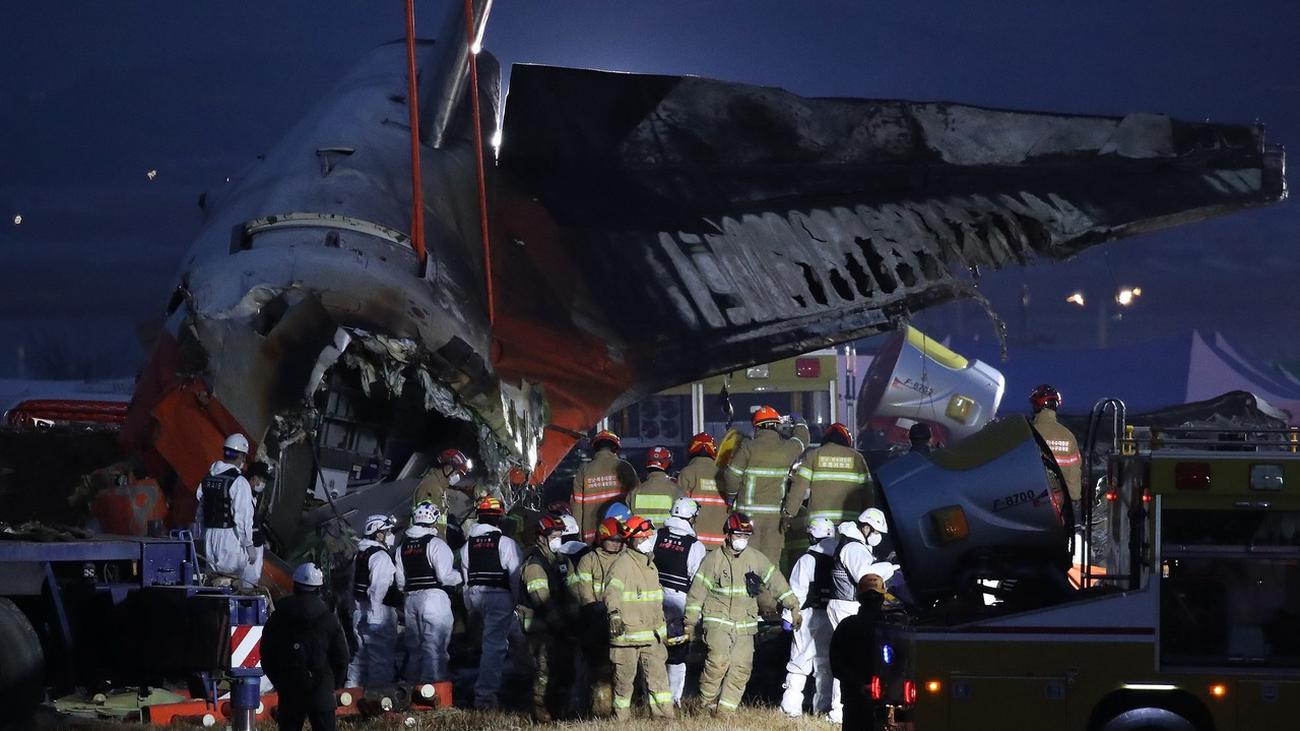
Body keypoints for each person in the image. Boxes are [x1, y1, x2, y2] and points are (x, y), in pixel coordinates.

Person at [684, 512, 801, 715]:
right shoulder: (713, 560)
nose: (742, 540)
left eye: (746, 536)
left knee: (741, 669)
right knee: (718, 662)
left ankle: (724, 713)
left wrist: (793, 605)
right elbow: (697, 593)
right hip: (718, 621)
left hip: (745, 625)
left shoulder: (755, 559)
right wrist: (690, 622)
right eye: (738, 535)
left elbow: (776, 580)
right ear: (728, 534)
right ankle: (705, 704)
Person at [826, 508, 895, 723]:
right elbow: (865, 576)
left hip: (845, 604)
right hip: (846, 604)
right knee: (854, 658)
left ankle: (839, 709)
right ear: (866, 527)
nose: (878, 537)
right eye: (875, 531)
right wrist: (891, 567)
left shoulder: (854, 544)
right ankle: (837, 710)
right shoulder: (854, 547)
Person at [602, 516, 675, 719]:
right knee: (624, 682)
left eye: (648, 537)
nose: (647, 541)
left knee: (659, 681)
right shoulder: (622, 565)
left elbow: (655, 601)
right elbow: (611, 593)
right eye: (642, 538)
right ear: (631, 540)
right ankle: (621, 720)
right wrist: (614, 614)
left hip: (652, 637)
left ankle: (664, 719)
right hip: (628, 637)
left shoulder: (651, 565)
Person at [261, 563, 350, 731]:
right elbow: (342, 657)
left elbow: (267, 654)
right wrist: (333, 684)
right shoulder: (328, 619)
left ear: (294, 586)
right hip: (321, 690)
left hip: (290, 690)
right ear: (318, 589)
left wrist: (280, 682)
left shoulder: (279, 616)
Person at [458, 496, 522, 709]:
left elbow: (466, 581)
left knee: (516, 634)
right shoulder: (506, 543)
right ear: (499, 519)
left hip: (476, 598)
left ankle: (526, 674)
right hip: (499, 597)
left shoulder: (468, 546)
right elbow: (515, 576)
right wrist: (516, 601)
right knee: (494, 647)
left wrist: (469, 608)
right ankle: (485, 697)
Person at [723, 407, 809, 564]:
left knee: (746, 562)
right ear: (777, 426)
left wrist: (731, 497)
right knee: (769, 567)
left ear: (757, 427)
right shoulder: (787, 449)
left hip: (747, 517)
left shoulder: (749, 447)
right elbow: (802, 440)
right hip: (774, 519)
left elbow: (731, 476)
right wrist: (800, 423)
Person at [519, 516, 580, 722]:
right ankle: (540, 711)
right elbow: (541, 601)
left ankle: (561, 708)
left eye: (560, 536)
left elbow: (574, 592)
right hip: (541, 627)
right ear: (542, 538)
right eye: (554, 536)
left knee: (566, 668)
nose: (558, 540)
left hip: (562, 625)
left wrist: (575, 619)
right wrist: (561, 625)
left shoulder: (563, 561)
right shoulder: (535, 564)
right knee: (544, 670)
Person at [394, 500, 461, 684]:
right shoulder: (436, 544)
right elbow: (445, 576)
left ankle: (413, 688)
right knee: (434, 646)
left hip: (411, 601)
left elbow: (400, 581)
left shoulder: (403, 548)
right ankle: (433, 689)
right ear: (434, 520)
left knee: (415, 649)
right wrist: (461, 576)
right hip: (434, 599)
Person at [781, 517, 838, 718]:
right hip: (832, 617)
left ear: (812, 536)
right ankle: (822, 709)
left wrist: (788, 617)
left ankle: (791, 709)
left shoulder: (807, 560)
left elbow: (796, 593)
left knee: (799, 662)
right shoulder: (839, 557)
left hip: (808, 617)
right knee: (826, 665)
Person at [653, 497, 707, 704]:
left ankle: (651, 696)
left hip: (652, 600)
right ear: (691, 517)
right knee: (676, 653)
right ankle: (673, 699)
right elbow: (697, 580)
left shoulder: (656, 535)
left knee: (652, 651)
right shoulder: (695, 546)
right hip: (678, 604)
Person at [572, 517, 626, 717]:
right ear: (601, 538)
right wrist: (596, 617)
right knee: (599, 671)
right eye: (612, 540)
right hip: (596, 622)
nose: (616, 544)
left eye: (620, 540)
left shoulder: (626, 558)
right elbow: (585, 594)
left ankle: (623, 710)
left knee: (622, 670)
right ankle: (599, 713)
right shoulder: (589, 560)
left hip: (621, 621)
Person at [784, 422, 873, 529]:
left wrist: (789, 514)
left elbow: (799, 487)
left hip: (819, 525)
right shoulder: (857, 458)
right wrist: (868, 521)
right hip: (850, 525)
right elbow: (868, 492)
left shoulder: (813, 455)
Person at [346, 514, 399, 687]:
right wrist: (375, 617)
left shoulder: (361, 554)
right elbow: (378, 588)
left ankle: (350, 694)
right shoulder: (381, 557)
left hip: (359, 612)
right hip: (377, 614)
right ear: (378, 534)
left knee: (360, 658)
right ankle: (378, 699)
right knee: (381, 660)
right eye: (388, 531)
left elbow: (353, 584)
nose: (391, 534)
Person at [829, 574, 889, 731]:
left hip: (853, 699)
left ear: (859, 597)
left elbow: (836, 665)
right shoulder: (892, 628)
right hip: (884, 698)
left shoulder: (846, 626)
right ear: (882, 598)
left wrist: (859, 685)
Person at [195, 433, 256, 584]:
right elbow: (242, 517)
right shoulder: (239, 482)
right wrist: (248, 544)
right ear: (241, 456)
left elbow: (200, 512)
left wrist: (200, 535)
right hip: (230, 538)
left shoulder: (208, 478)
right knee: (229, 583)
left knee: (212, 581)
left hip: (209, 536)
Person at [571, 430, 639, 542]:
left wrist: (577, 537)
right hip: (620, 533)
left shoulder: (584, 471)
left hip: (592, 536)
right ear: (615, 448)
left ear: (595, 448)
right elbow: (636, 499)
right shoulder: (625, 467)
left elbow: (577, 507)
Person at [1029, 384, 1082, 512]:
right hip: (1060, 504)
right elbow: (1074, 473)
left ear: (1037, 405)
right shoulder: (1068, 436)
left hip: (1032, 501)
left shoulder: (1028, 433)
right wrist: (1074, 499)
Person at [676, 432, 729, 549]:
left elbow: (678, 508)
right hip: (721, 544)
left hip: (695, 543)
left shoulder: (687, 473)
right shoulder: (724, 474)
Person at [412, 448, 474, 531]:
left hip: (435, 540)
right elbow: (423, 521)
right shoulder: (430, 486)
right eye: (457, 473)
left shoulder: (440, 488)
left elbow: (438, 519)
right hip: (428, 541)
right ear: (448, 468)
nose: (458, 477)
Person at [627, 446, 680, 528]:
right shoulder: (676, 491)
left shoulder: (634, 492)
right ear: (668, 465)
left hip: (642, 538)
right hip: (666, 539)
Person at [241, 461, 273, 588]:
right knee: (247, 583)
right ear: (254, 478)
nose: (263, 484)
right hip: (249, 550)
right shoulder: (244, 496)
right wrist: (250, 546)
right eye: (262, 480)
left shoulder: (253, 497)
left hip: (255, 547)